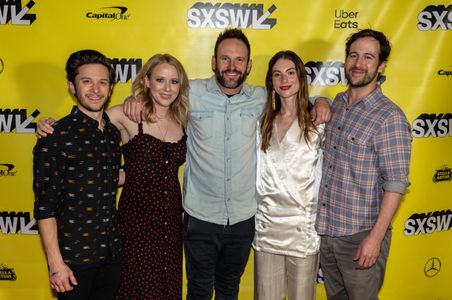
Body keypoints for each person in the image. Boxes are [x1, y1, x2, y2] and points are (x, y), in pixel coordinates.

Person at [122, 28, 331, 299]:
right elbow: (158, 98)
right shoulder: (190, 93)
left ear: (249, 65)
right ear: (213, 62)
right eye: (225, 59)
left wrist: (322, 100)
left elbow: (293, 98)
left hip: (243, 219)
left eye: (239, 60)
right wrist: (134, 98)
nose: (232, 66)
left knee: (228, 290)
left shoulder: (261, 99)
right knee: (198, 289)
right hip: (200, 217)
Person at [36, 53, 190, 299]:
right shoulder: (127, 115)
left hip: (170, 221)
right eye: (160, 80)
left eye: (174, 81)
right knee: (135, 288)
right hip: (135, 222)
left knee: (165, 287)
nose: (167, 87)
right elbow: (86, 122)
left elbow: (119, 170)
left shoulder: (183, 119)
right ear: (147, 81)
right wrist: (48, 126)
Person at [315, 29, 412, 299]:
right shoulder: (337, 103)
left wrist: (375, 238)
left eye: (368, 57)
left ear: (381, 66)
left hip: (361, 237)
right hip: (328, 232)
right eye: (354, 56)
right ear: (345, 61)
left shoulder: (389, 117)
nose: (359, 63)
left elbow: (395, 184)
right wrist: (320, 99)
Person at [33, 49, 122, 299]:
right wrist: (55, 264)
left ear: (111, 87)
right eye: (87, 81)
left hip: (111, 253)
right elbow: (44, 208)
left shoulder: (112, 134)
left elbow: (110, 180)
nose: (96, 89)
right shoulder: (55, 137)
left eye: (102, 82)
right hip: (74, 260)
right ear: (72, 86)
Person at [253, 50, 324, 300]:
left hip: (303, 227)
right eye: (277, 74)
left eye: (291, 72)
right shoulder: (262, 122)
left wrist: (323, 100)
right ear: (270, 81)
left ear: (301, 78)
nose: (284, 79)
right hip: (267, 225)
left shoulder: (318, 120)